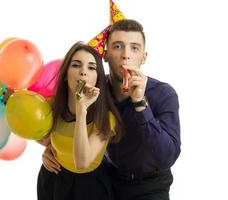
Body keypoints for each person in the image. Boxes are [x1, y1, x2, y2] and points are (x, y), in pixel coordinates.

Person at [42, 19, 181, 200]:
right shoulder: (94, 89)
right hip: (106, 179)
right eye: (117, 46)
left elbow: (167, 156)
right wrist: (53, 150)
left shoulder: (163, 94)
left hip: (150, 186)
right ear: (105, 55)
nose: (125, 55)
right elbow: (68, 120)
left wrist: (140, 102)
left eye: (134, 48)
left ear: (144, 57)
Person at [36, 41, 123, 200]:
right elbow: (39, 135)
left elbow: (82, 163)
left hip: (90, 188)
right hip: (54, 182)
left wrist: (81, 110)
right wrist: (48, 150)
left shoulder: (106, 117)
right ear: (65, 74)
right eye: (76, 65)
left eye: (91, 67)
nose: (83, 72)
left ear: (97, 78)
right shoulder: (50, 106)